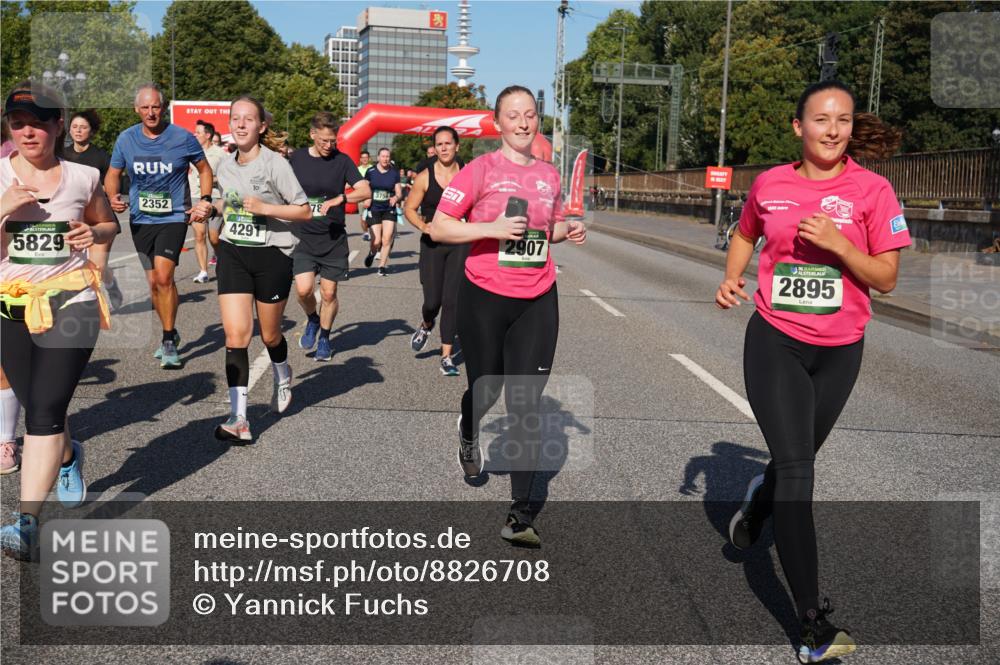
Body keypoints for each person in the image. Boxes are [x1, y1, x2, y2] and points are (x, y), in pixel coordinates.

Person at [717, 80, 909, 664]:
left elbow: (886, 278)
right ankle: (811, 625)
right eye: (821, 119)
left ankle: (759, 501)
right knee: (800, 475)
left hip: (841, 348)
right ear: (797, 126)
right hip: (775, 340)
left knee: (795, 464)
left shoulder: (873, 191)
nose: (833, 130)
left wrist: (839, 245)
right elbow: (746, 232)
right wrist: (731, 276)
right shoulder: (771, 185)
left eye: (844, 120)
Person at [430, 85, 586, 547]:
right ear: (496, 123)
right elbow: (440, 226)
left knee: (525, 404)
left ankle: (520, 515)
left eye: (530, 115)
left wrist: (566, 230)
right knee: (487, 389)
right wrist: (491, 228)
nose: (523, 123)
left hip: (538, 296)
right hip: (485, 296)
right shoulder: (479, 171)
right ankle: (470, 430)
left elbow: (544, 227)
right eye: (513, 115)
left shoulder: (548, 175)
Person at [0, 82, 118, 560]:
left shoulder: (83, 177)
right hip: (11, 304)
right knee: (36, 407)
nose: (28, 131)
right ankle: (69, 457)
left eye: (38, 122)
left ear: (56, 125)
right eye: (17, 122)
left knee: (45, 411)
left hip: (72, 302)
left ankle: (26, 522)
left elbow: (107, 222)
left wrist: (95, 232)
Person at [207, 96, 311, 441]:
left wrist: (266, 208)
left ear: (261, 126)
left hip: (272, 255)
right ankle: (239, 418)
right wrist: (210, 209)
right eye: (235, 118)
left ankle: (282, 373)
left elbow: (304, 210)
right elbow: (229, 201)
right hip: (235, 252)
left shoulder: (275, 164)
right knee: (236, 336)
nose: (239, 124)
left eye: (247, 119)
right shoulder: (224, 165)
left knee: (269, 335)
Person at [105, 84, 213, 369]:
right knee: (153, 282)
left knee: (165, 277)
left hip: (174, 217)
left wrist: (205, 199)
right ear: (136, 109)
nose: (151, 113)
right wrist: (113, 196)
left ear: (163, 108)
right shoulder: (126, 139)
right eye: (145, 108)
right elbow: (113, 173)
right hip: (141, 220)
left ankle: (167, 338)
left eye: (156, 107)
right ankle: (171, 329)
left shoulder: (182, 138)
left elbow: (204, 169)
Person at [288, 112, 371, 362]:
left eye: (332, 141)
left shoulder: (342, 160)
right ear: (312, 135)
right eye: (324, 140)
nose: (328, 146)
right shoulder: (297, 158)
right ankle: (313, 318)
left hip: (333, 238)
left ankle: (324, 336)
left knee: (328, 294)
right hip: (303, 236)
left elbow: (365, 189)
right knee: (303, 291)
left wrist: (341, 197)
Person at [405, 126, 466, 376]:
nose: (443, 148)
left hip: (460, 242)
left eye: (448, 144)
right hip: (432, 243)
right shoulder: (424, 177)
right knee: (433, 301)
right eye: (439, 144)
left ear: (456, 146)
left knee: (452, 300)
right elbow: (409, 208)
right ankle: (427, 323)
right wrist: (423, 226)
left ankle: (446, 356)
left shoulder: (467, 174)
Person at [62, 109, 125, 312]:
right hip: (71, 217)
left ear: (92, 131)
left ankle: (107, 288)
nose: (78, 131)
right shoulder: (60, 155)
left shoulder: (101, 157)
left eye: (83, 127)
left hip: (99, 217)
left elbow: (112, 184)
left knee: (98, 266)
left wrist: (114, 197)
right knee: (72, 265)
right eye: (75, 127)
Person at [187, 119, 227, 284]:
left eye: (198, 132)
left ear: (208, 135)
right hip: (195, 196)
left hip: (215, 198)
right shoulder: (189, 151)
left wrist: (210, 178)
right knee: (199, 235)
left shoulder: (221, 154)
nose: (194, 134)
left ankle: (221, 259)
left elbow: (228, 176)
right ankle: (203, 271)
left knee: (214, 237)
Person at [363, 147, 402, 277]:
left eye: (387, 156)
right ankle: (372, 253)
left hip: (388, 209)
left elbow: (399, 192)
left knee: (387, 239)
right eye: (383, 156)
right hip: (374, 208)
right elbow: (364, 188)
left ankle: (382, 266)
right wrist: (367, 198)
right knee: (376, 241)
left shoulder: (394, 173)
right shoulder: (371, 171)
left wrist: (396, 197)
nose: (385, 159)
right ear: (378, 157)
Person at [356, 150, 372, 241]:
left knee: (373, 216)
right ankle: (366, 232)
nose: (365, 159)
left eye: (366, 157)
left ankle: (373, 231)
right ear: (360, 159)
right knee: (363, 217)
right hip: (361, 197)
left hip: (372, 196)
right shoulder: (357, 170)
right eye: (363, 158)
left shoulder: (373, 168)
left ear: (369, 159)